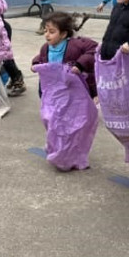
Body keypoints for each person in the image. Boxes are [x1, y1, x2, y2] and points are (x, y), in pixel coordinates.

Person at [30, 12, 99, 171]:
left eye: (52, 31)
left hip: (71, 95)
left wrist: (80, 65)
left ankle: (70, 155)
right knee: (51, 121)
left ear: (64, 34)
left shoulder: (75, 45)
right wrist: (35, 64)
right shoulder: (46, 48)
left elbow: (94, 49)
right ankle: (58, 149)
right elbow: (40, 58)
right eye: (46, 30)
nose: (47, 35)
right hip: (53, 95)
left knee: (70, 126)